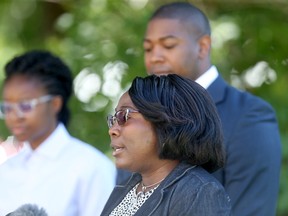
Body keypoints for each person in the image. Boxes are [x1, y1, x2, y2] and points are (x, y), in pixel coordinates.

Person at [143, 2, 281, 216]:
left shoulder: (248, 117)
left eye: (168, 45)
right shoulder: (139, 118)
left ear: (203, 46)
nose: (154, 57)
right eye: (148, 48)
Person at [0, 50, 116, 216]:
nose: (14, 116)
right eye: (8, 107)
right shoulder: (5, 171)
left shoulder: (91, 167)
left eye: (25, 105)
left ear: (55, 103)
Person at [101, 74, 231, 215]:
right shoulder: (126, 187)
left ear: (166, 121)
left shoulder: (199, 192)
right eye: (113, 119)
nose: (112, 130)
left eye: (123, 116)